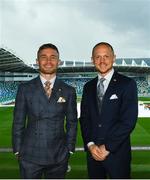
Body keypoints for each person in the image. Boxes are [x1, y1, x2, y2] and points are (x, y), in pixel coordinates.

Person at [12, 43, 78, 179]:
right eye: (44, 57)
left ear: (58, 62)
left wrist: (69, 149)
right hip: (29, 156)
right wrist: (18, 150)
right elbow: (18, 122)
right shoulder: (25, 89)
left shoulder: (68, 90)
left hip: (59, 156)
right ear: (37, 62)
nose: (48, 61)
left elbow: (72, 122)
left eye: (53, 57)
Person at [80, 42, 138, 179]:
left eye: (106, 56)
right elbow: (84, 119)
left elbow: (128, 121)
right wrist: (90, 145)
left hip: (117, 155)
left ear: (114, 58)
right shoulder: (88, 87)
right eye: (98, 57)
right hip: (93, 154)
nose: (102, 61)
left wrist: (107, 147)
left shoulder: (127, 84)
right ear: (92, 60)